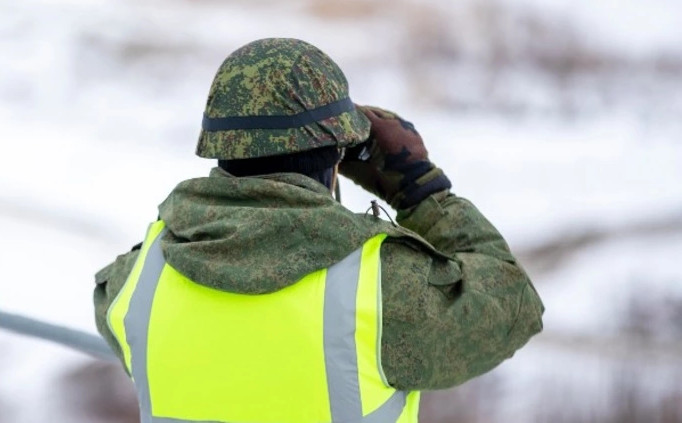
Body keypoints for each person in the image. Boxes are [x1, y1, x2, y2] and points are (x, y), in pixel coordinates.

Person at [93, 37, 544, 423]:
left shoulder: (134, 285)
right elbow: (515, 305)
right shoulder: (387, 290)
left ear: (220, 147)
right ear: (337, 160)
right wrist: (422, 191)